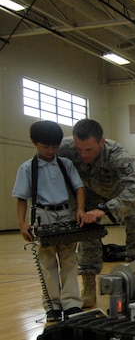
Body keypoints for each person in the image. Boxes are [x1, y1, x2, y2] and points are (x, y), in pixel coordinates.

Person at [58, 119, 135, 308]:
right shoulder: (64, 148)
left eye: (89, 150)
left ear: (102, 141)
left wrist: (107, 209)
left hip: (122, 194)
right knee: (87, 234)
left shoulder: (117, 154)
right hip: (87, 194)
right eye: (79, 149)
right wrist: (77, 208)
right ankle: (89, 286)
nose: (83, 155)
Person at [12, 121, 86, 322]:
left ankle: (72, 303)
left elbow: (79, 188)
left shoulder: (65, 164)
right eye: (46, 146)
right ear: (34, 143)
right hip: (41, 216)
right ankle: (52, 305)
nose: (51, 150)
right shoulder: (27, 168)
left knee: (69, 259)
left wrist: (79, 209)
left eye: (55, 146)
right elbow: (21, 197)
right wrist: (21, 223)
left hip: (65, 214)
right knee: (47, 263)